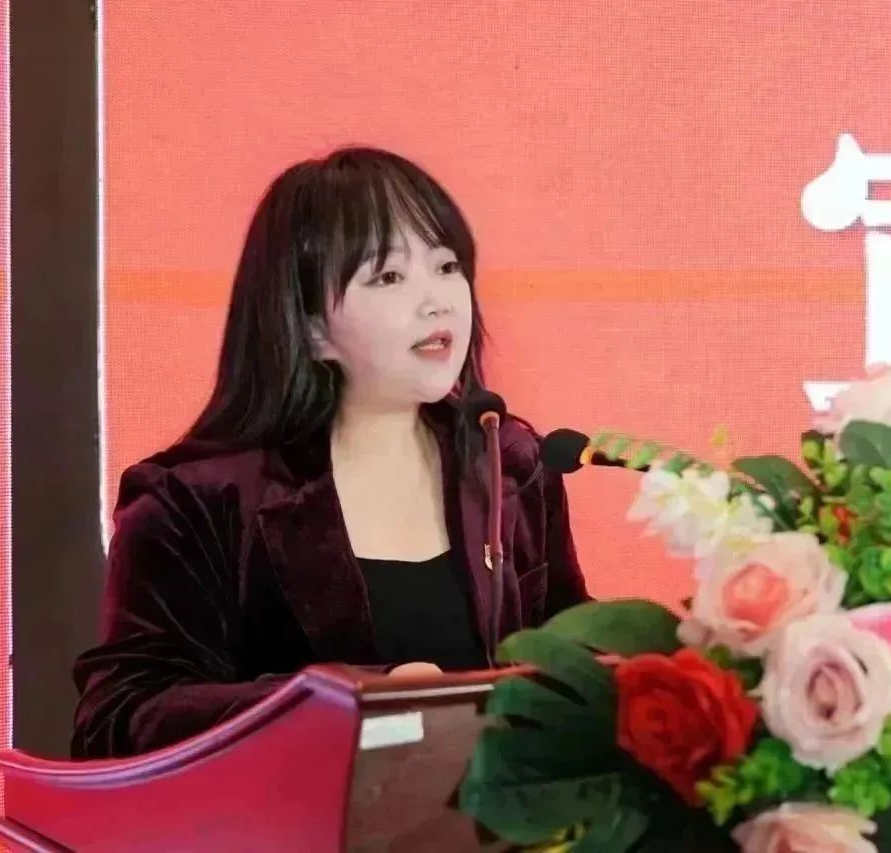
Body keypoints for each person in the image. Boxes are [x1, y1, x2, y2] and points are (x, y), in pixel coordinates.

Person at [71, 147, 589, 759]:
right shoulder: (195, 500)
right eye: (389, 277)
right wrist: (355, 703)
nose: (439, 301)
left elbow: (570, 651)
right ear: (314, 328)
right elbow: (120, 718)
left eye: (447, 266)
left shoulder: (510, 464)